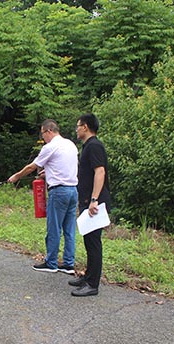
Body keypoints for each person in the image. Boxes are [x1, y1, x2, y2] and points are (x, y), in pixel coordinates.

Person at [8, 119, 79, 274]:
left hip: (58, 192)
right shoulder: (70, 144)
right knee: (69, 230)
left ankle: (51, 263)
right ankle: (68, 264)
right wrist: (48, 172)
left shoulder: (50, 147)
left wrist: (16, 176)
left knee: (54, 228)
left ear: (49, 131)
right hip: (73, 191)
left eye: (43, 134)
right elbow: (65, 166)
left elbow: (32, 167)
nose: (42, 138)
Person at [69, 113, 111, 297]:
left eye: (78, 126)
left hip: (95, 202)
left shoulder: (94, 146)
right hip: (87, 200)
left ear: (85, 127)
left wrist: (94, 199)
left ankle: (93, 284)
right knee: (88, 239)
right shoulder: (88, 146)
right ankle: (88, 276)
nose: (76, 129)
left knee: (93, 242)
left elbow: (100, 172)